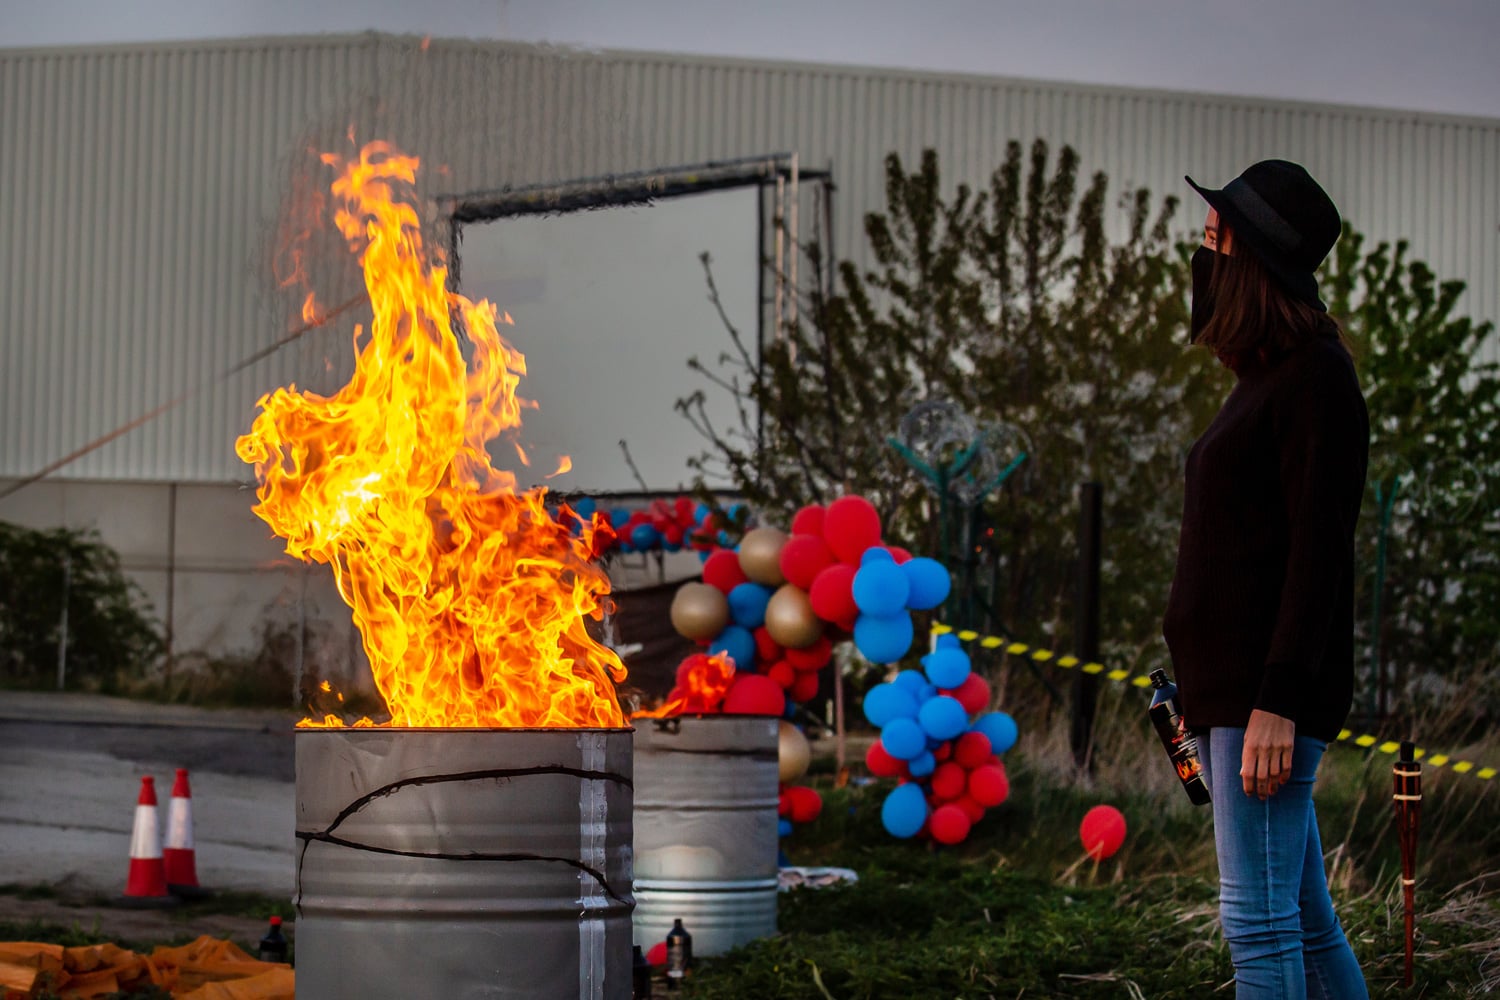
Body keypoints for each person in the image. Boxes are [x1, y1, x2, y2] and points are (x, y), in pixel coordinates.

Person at [1163, 159, 1370, 999]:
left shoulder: (1318, 381)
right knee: (1306, 924)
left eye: (1215, 240)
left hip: (1265, 704)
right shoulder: (1262, 381)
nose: (1201, 256)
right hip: (1228, 697)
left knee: (1258, 925)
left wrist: (1278, 703)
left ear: (1253, 262)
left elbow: (1320, 553)